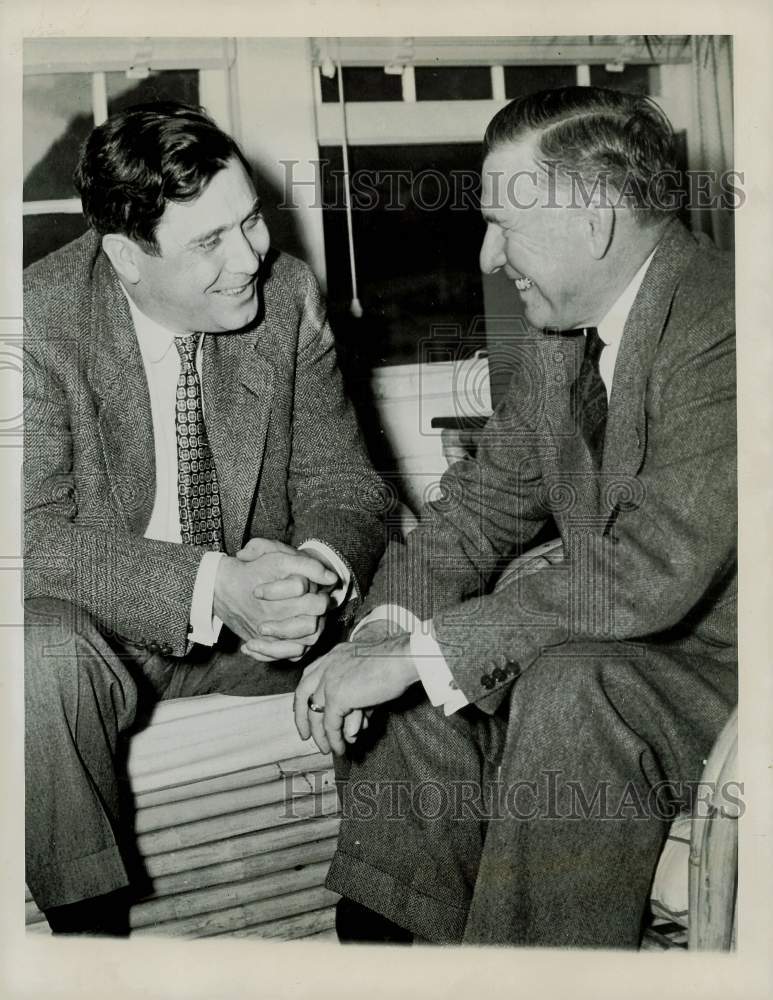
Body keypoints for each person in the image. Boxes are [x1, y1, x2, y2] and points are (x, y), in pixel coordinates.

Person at [292, 87, 737, 948]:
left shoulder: (726, 321)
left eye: (506, 224)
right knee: (413, 685)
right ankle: (378, 955)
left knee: (570, 684)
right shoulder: (558, 339)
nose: (490, 257)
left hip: (722, 669)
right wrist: (387, 635)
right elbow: (481, 509)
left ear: (596, 221)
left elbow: (650, 568)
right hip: (615, 645)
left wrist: (426, 653)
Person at [23, 102, 385, 935]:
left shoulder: (289, 293)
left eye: (250, 221)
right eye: (209, 242)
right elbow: (25, 539)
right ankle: (90, 951)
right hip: (105, 643)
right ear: (124, 256)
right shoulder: (33, 323)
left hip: (263, 639)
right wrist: (217, 587)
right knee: (29, 645)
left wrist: (311, 575)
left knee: (420, 589)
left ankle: (386, 932)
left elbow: (346, 484)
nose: (250, 258)